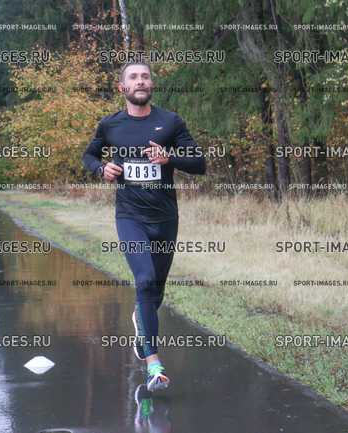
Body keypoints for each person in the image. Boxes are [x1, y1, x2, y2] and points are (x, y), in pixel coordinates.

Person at [82, 61, 206, 392]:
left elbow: (199, 163)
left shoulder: (170, 122)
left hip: (165, 218)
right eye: (134, 77)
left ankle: (142, 321)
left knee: (155, 292)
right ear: (122, 88)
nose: (140, 81)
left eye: (145, 76)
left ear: (151, 85)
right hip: (130, 217)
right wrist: (101, 169)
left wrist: (170, 157)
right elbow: (89, 156)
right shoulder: (110, 125)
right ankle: (154, 365)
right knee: (145, 280)